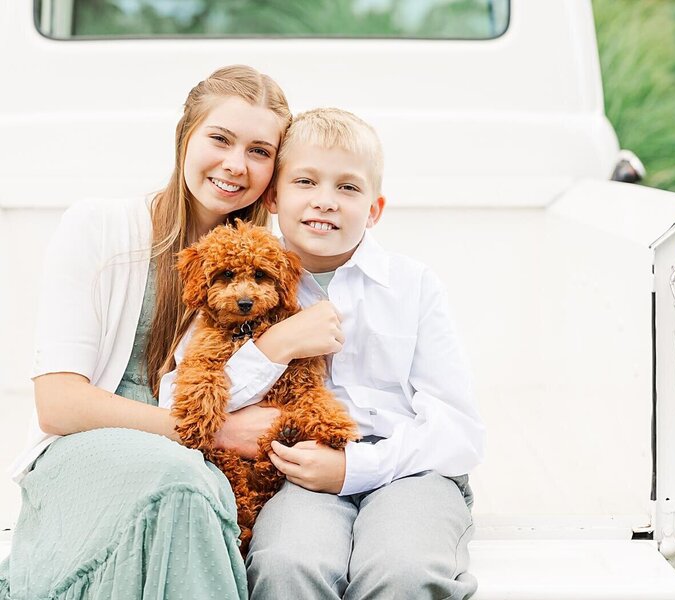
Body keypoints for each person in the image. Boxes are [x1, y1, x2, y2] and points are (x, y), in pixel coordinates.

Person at [161, 108, 486, 598]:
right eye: (306, 181)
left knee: (402, 570)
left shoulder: (412, 286)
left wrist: (354, 469)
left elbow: (457, 429)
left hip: (410, 469)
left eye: (348, 188)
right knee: (286, 565)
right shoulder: (241, 278)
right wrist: (276, 346)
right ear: (273, 197)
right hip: (296, 475)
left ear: (374, 209)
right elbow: (178, 397)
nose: (325, 202)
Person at [0, 65, 292, 600]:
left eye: (259, 150)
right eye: (220, 139)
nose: (234, 164)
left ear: (274, 170)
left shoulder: (265, 270)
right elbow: (59, 404)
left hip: (196, 463)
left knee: (195, 483)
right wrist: (215, 432)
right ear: (185, 136)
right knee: (180, 484)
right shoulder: (99, 227)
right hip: (86, 449)